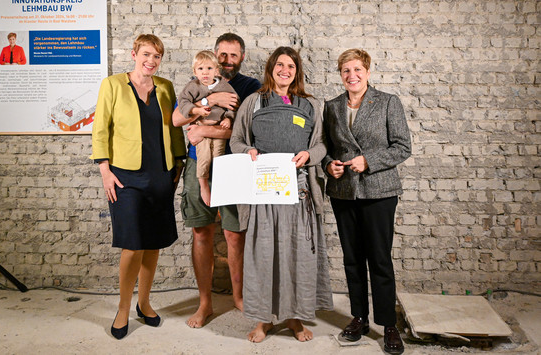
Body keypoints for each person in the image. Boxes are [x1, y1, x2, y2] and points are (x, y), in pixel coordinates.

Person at [230, 46, 333, 343]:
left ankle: (294, 318)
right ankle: (262, 321)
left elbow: (322, 145)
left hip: (298, 194)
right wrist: (247, 150)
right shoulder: (253, 102)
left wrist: (308, 155)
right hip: (262, 194)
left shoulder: (310, 105)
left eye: (290, 65)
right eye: (279, 64)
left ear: (297, 71)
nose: (284, 70)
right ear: (271, 68)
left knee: (297, 257)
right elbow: (236, 140)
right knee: (263, 257)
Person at [90, 34, 186, 340]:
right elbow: (100, 127)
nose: (151, 61)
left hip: (161, 173)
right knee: (132, 244)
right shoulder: (113, 85)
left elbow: (173, 127)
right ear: (134, 54)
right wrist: (104, 169)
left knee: (153, 242)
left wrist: (180, 162)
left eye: (157, 56)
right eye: (146, 54)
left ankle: (144, 303)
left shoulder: (165, 87)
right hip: (124, 176)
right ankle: (123, 307)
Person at [321, 48, 411, 355]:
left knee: (380, 260)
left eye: (357, 69)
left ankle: (388, 325)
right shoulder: (332, 106)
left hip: (379, 192)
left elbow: (402, 147)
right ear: (341, 74)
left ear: (368, 72)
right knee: (352, 259)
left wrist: (367, 161)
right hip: (344, 192)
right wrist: (328, 165)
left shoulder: (388, 102)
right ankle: (359, 317)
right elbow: (327, 148)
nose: (352, 75)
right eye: (346, 70)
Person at [172, 33, 261, 328]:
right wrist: (211, 99)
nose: (226, 61)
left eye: (233, 56)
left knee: (235, 233)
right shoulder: (196, 83)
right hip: (198, 164)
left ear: (242, 58)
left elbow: (246, 133)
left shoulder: (251, 87)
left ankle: (239, 297)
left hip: (234, 164)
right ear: (213, 56)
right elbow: (177, 119)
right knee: (201, 232)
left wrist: (203, 132)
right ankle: (205, 303)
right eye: (222, 55)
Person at [176, 50, 239, 206]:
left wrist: (228, 118)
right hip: (201, 126)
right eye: (200, 69)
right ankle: (203, 184)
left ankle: (218, 187)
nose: (205, 73)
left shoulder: (224, 86)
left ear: (216, 70)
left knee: (218, 157)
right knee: (203, 157)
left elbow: (234, 105)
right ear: (194, 71)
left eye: (209, 69)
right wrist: (197, 110)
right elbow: (183, 103)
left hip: (219, 129)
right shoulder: (192, 86)